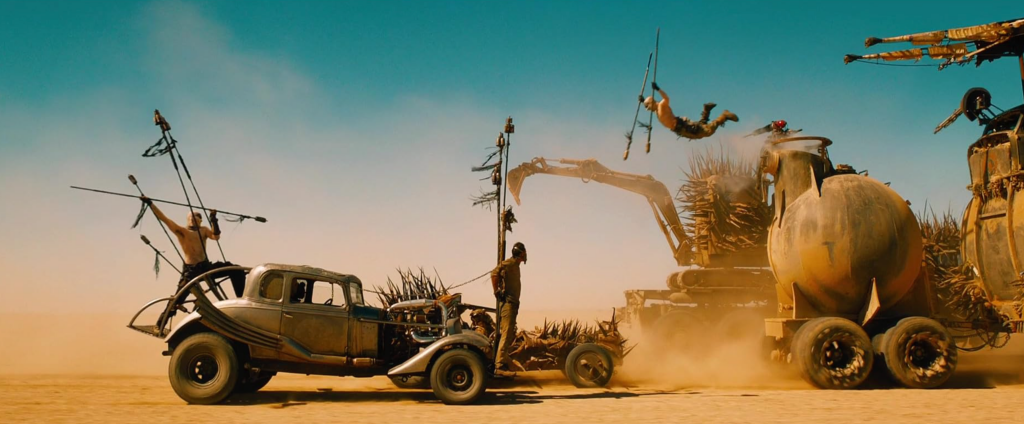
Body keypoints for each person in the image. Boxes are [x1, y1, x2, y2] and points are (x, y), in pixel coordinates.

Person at [140, 196, 241, 296]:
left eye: (196, 217)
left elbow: (216, 236)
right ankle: (173, 306)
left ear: (200, 220)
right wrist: (151, 204)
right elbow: (165, 219)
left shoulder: (204, 230)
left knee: (237, 270)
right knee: (178, 299)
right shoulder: (182, 231)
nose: (193, 219)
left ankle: (241, 298)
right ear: (188, 219)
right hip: (191, 270)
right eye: (191, 217)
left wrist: (213, 219)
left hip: (205, 267)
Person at [643, 82, 738, 140]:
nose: (648, 109)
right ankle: (706, 110)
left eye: (648, 107)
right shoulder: (656, 110)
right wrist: (642, 100)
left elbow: (666, 98)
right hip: (679, 129)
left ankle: (723, 116)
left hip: (682, 126)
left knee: (707, 131)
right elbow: (653, 107)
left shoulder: (661, 105)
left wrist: (658, 89)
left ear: (652, 103)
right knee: (700, 131)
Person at [490, 242, 527, 376]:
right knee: (506, 334)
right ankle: (499, 366)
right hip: (508, 304)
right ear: (521, 253)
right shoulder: (510, 263)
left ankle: (502, 360)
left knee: (508, 333)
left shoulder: (515, 265)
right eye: (524, 252)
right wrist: (496, 291)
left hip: (512, 304)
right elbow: (494, 273)